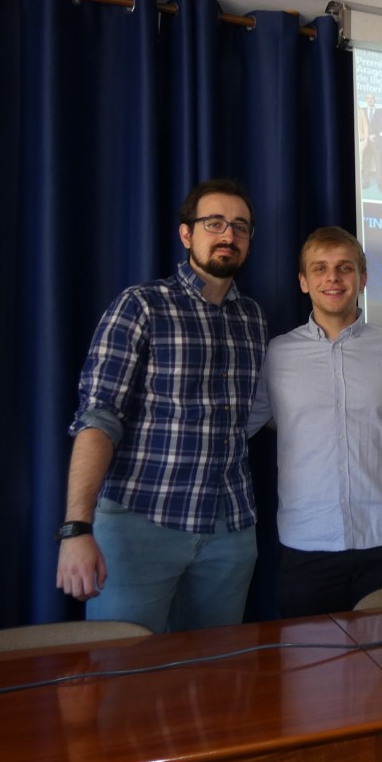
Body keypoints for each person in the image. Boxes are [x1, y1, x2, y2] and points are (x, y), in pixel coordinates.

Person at [56, 179, 268, 633]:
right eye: (214, 223)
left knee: (214, 682)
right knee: (122, 684)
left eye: (240, 227)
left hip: (229, 532)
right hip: (141, 525)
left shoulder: (252, 318)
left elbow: (246, 416)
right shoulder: (141, 306)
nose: (228, 235)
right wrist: (77, 528)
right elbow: (98, 417)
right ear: (187, 234)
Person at [249, 227, 382, 616]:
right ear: (303, 282)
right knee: (310, 672)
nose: (332, 278)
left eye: (344, 268)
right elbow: (254, 419)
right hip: (306, 544)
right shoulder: (276, 354)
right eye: (319, 269)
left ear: (363, 278)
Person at [361, 93, 378, 188]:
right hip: (366, 141)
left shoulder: (379, 111)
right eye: (368, 98)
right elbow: (360, 126)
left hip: (376, 141)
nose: (370, 100)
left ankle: (379, 182)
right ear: (366, 100)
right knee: (366, 162)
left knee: (379, 162)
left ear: (375, 100)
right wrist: (366, 136)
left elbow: (381, 125)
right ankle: (366, 182)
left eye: (372, 98)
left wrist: (375, 135)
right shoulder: (362, 110)